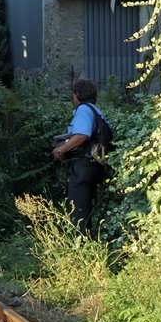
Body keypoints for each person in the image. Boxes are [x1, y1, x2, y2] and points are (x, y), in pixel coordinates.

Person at [52, 78, 108, 231]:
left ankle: (80, 247)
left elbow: (82, 135)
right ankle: (86, 243)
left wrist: (60, 149)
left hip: (84, 165)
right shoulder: (96, 110)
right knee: (85, 208)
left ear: (77, 95)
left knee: (78, 211)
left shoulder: (83, 110)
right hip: (95, 164)